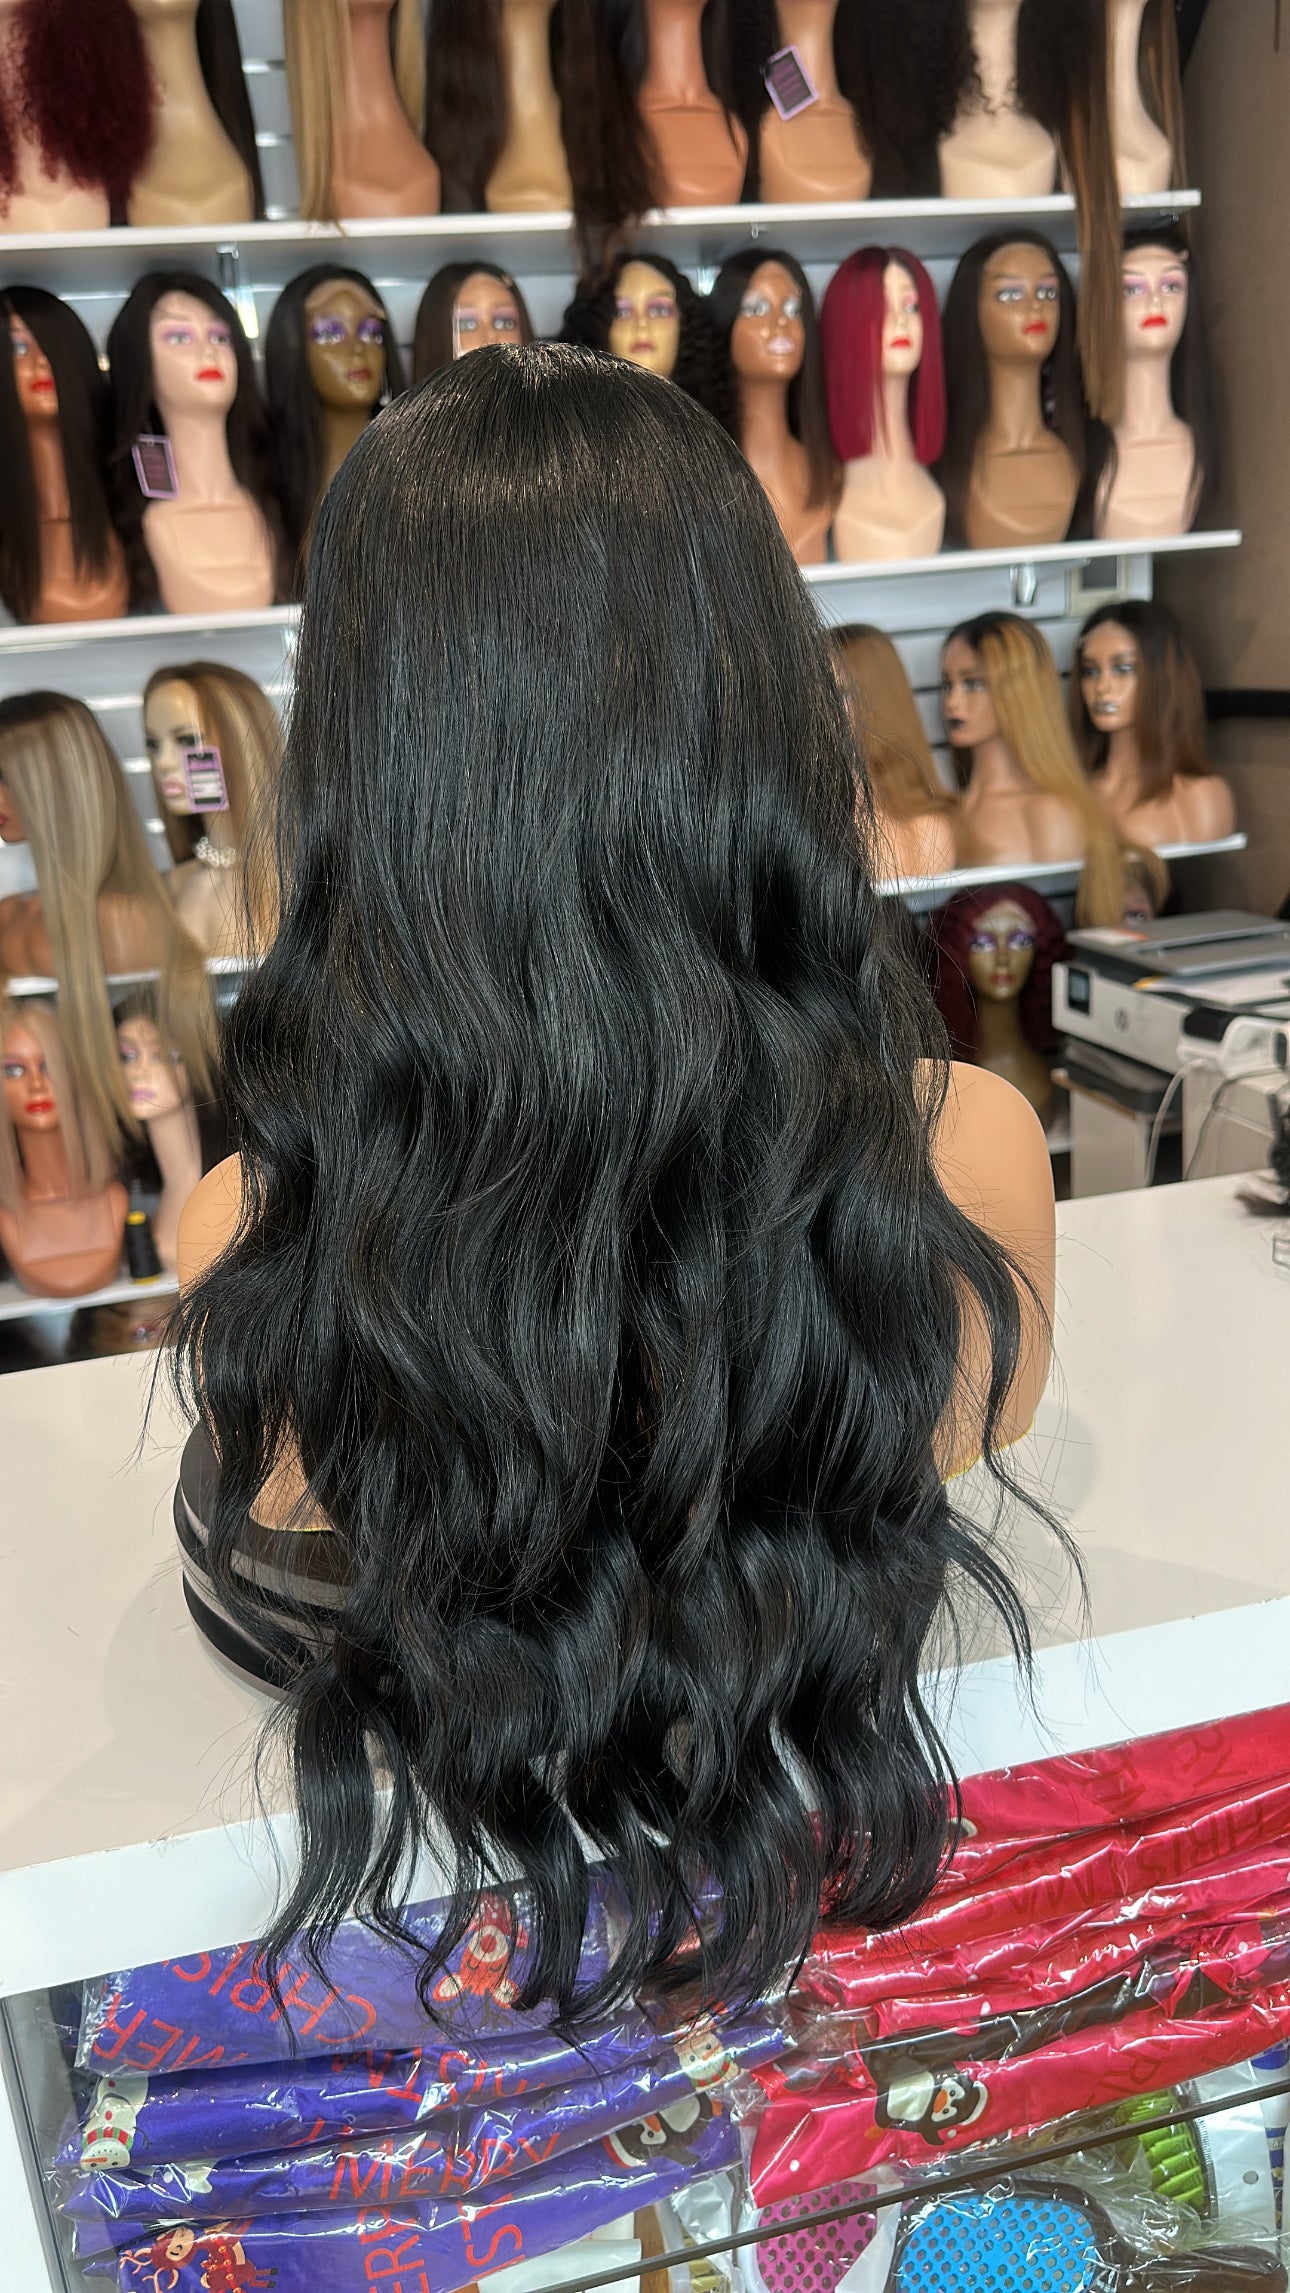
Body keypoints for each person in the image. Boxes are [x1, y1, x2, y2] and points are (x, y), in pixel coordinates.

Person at [174, 344, 1054, 2026]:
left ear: (365, 752)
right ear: (761, 703)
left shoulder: (251, 1239)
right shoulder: (972, 1160)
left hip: (450, 2031)